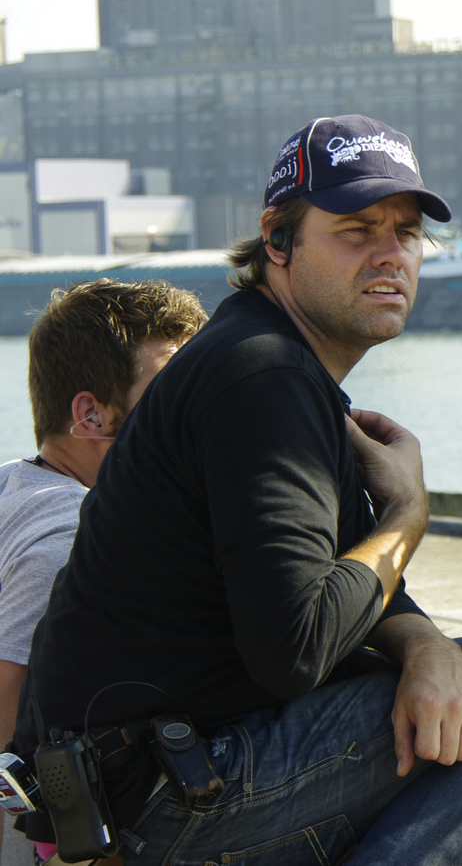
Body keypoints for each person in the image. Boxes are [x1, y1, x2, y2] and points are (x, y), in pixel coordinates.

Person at [9, 114, 462, 866]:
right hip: (161, 792)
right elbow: (297, 648)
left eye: (407, 233)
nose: (390, 254)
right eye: (356, 230)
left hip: (146, 761)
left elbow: (339, 572)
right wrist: (407, 513)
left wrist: (424, 643)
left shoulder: (269, 357)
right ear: (278, 241)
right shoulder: (263, 378)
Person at [0, 279, 207, 865]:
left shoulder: (16, 481)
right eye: (170, 395)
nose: (195, 412)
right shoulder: (73, 534)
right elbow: (9, 719)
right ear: (91, 415)